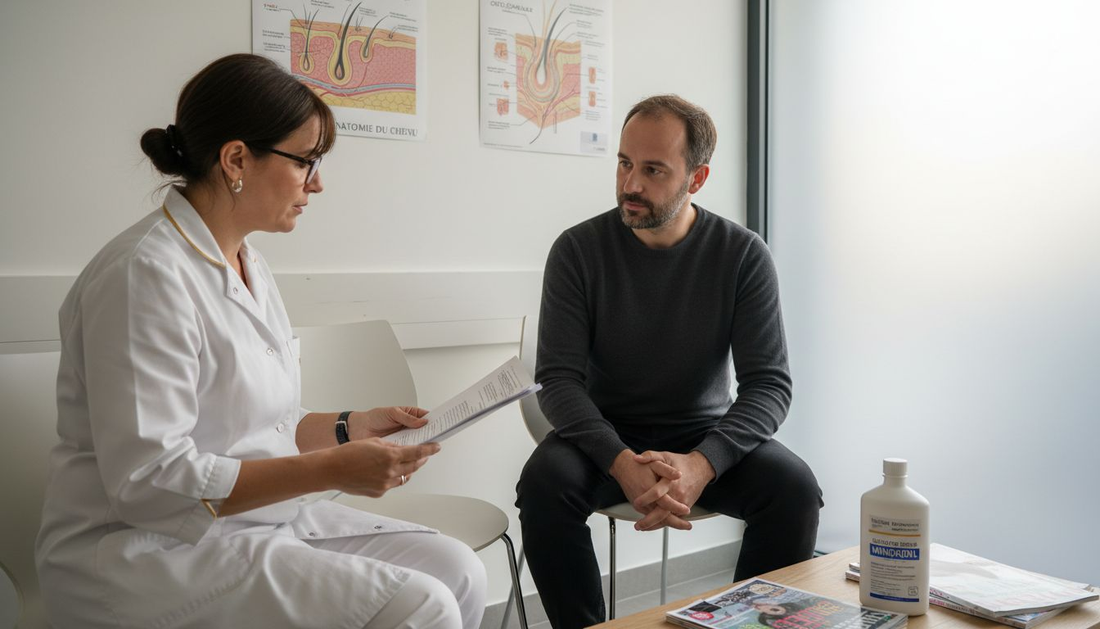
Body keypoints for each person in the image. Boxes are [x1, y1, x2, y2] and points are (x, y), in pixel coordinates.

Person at [34, 54, 485, 629]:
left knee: (458, 569)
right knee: (422, 605)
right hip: (141, 553)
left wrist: (353, 426)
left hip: (250, 523)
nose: (317, 184)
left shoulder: (248, 262)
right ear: (237, 159)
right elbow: (149, 482)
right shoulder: (141, 276)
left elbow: (258, 425)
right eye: (306, 162)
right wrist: (331, 470)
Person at [516, 94, 823, 628]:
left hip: (703, 437)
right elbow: (558, 380)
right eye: (624, 163)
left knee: (794, 490)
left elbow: (769, 386)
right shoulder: (577, 250)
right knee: (543, 485)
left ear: (697, 178)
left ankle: (745, 625)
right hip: (603, 439)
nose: (631, 184)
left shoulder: (743, 255)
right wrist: (620, 463)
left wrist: (701, 465)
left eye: (653, 170)